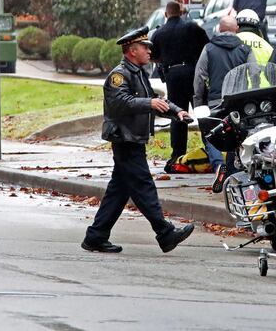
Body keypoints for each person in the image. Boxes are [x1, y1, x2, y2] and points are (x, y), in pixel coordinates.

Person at [82, 26, 195, 254]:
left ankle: (96, 235)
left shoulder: (138, 73)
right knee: (143, 186)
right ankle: (165, 233)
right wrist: (150, 104)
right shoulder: (119, 75)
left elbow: (153, 100)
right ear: (132, 50)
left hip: (134, 138)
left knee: (119, 190)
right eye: (145, 47)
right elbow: (121, 103)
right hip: (125, 139)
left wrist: (177, 111)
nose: (149, 51)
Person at [193, 16, 250, 191]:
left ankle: (218, 165)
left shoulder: (209, 48)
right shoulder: (244, 49)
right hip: (239, 100)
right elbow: (254, 73)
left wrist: (198, 99)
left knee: (212, 132)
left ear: (219, 29)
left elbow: (200, 76)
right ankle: (232, 169)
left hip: (217, 99)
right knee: (237, 133)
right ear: (236, 29)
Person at [150, 1, 209, 170]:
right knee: (201, 110)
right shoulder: (192, 27)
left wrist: (165, 60)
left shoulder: (159, 32)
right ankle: (210, 148)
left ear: (166, 14)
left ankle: (177, 154)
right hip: (192, 73)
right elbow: (207, 46)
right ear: (181, 12)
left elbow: (152, 55)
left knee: (178, 113)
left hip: (173, 75)